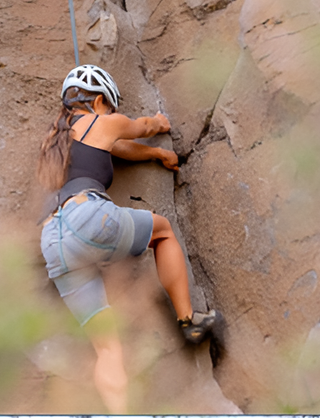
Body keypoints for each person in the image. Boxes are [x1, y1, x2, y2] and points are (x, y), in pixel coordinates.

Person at [38, 65, 221, 345]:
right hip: (87, 217)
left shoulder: (56, 140)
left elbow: (118, 148)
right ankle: (189, 321)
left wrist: (157, 153)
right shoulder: (103, 122)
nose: (112, 114)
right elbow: (143, 127)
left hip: (54, 242)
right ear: (100, 100)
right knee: (163, 231)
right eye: (110, 107)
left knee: (107, 347)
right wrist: (160, 122)